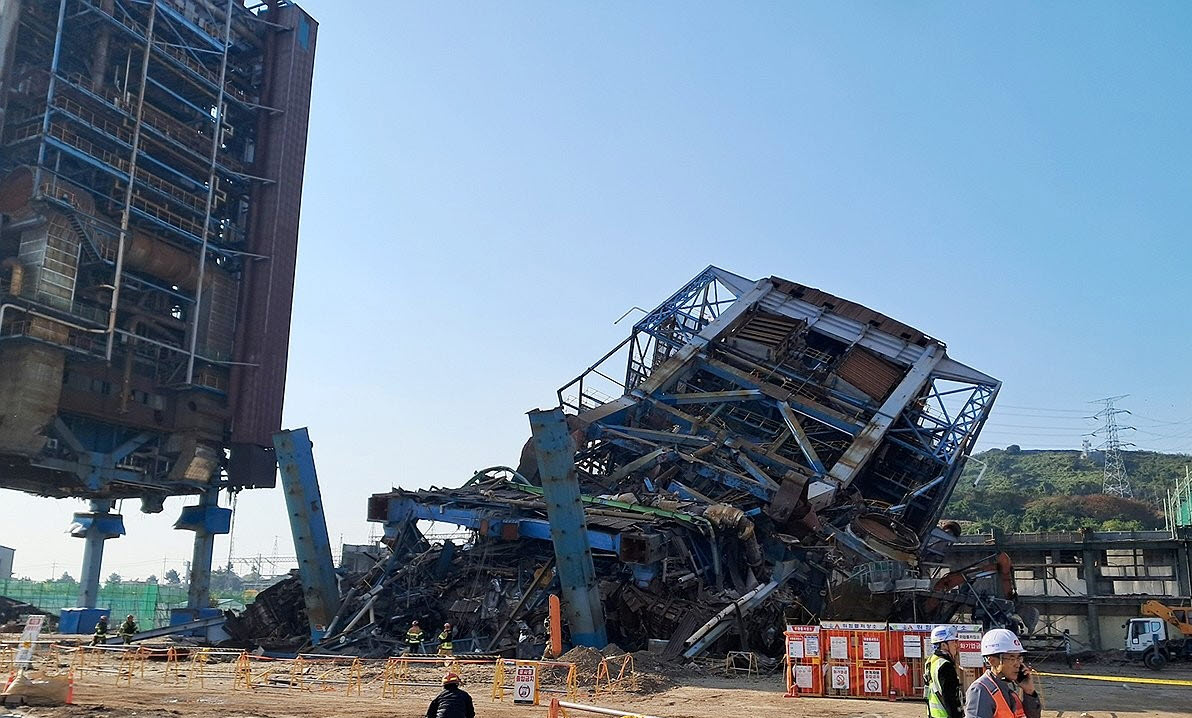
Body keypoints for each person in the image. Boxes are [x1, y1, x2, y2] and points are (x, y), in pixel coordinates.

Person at [964, 629, 1041, 718]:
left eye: (1019, 658)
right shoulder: (980, 691)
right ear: (992, 661)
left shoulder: (1010, 691)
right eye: (1012, 659)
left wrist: (1029, 691)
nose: (1017, 664)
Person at [925, 625, 963, 718]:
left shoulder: (931, 661)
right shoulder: (945, 666)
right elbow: (949, 698)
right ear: (943, 645)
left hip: (933, 715)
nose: (956, 645)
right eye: (953, 641)